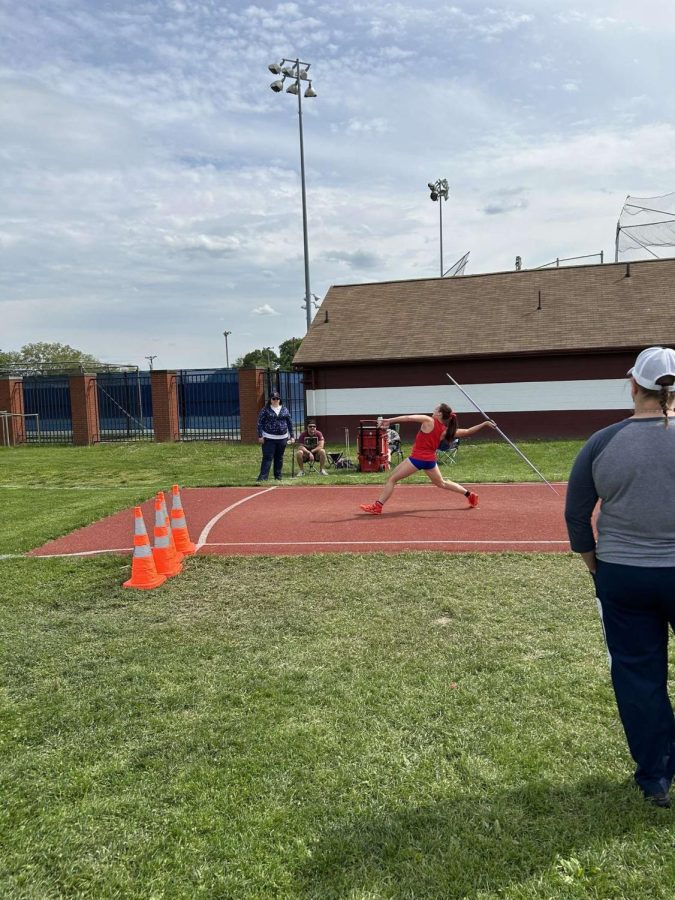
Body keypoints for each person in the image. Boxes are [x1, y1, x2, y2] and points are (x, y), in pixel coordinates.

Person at [565, 346, 675, 809]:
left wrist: (595, 565)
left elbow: (576, 515)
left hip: (622, 575)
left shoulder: (603, 441)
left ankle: (655, 777)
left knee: (637, 674)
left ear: (634, 386)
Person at [359, 403, 496, 514]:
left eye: (436, 409)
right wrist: (484, 424)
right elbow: (467, 432)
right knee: (441, 483)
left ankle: (378, 506)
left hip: (417, 459)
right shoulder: (446, 430)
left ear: (440, 413)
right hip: (430, 461)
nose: (433, 410)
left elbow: (408, 418)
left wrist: (390, 420)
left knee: (392, 479)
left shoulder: (428, 420)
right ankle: (469, 494)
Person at [256, 391, 294, 482]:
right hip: (269, 438)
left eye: (277, 398)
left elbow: (289, 423)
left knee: (279, 458)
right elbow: (259, 423)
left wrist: (292, 436)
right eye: (273, 398)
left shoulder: (284, 409)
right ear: (270, 400)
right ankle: (263, 477)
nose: (275, 400)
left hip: (282, 438)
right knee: (267, 457)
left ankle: (278, 476)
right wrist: (260, 436)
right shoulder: (265, 410)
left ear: (279, 399)